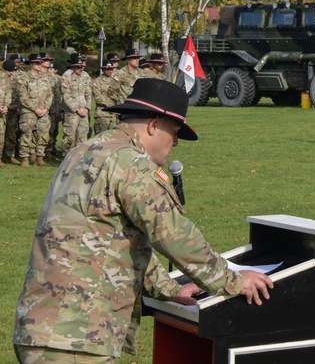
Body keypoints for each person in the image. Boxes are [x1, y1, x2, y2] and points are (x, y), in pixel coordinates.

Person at [13, 79, 272, 363]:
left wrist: (170, 289)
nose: (174, 142)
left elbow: (112, 240)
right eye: (174, 132)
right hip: (77, 338)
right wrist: (232, 280)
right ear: (153, 125)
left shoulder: (84, 151)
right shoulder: (132, 164)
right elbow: (174, 235)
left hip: (44, 328)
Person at [16, 54, 58, 167]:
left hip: (43, 111)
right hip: (29, 111)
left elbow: (50, 94)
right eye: (37, 63)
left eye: (40, 63)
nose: (39, 65)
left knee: (44, 134)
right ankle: (25, 158)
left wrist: (45, 109)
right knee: (27, 134)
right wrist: (35, 109)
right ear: (31, 64)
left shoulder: (45, 78)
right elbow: (23, 96)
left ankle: (40, 157)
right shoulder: (24, 78)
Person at [60, 53, 92, 154]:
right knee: (69, 136)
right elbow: (66, 96)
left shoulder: (85, 78)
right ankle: (67, 157)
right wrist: (77, 109)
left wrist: (87, 108)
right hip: (72, 113)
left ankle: (79, 158)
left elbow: (89, 95)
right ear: (72, 67)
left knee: (83, 136)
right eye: (78, 66)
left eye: (82, 66)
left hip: (84, 112)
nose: (80, 68)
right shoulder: (67, 79)